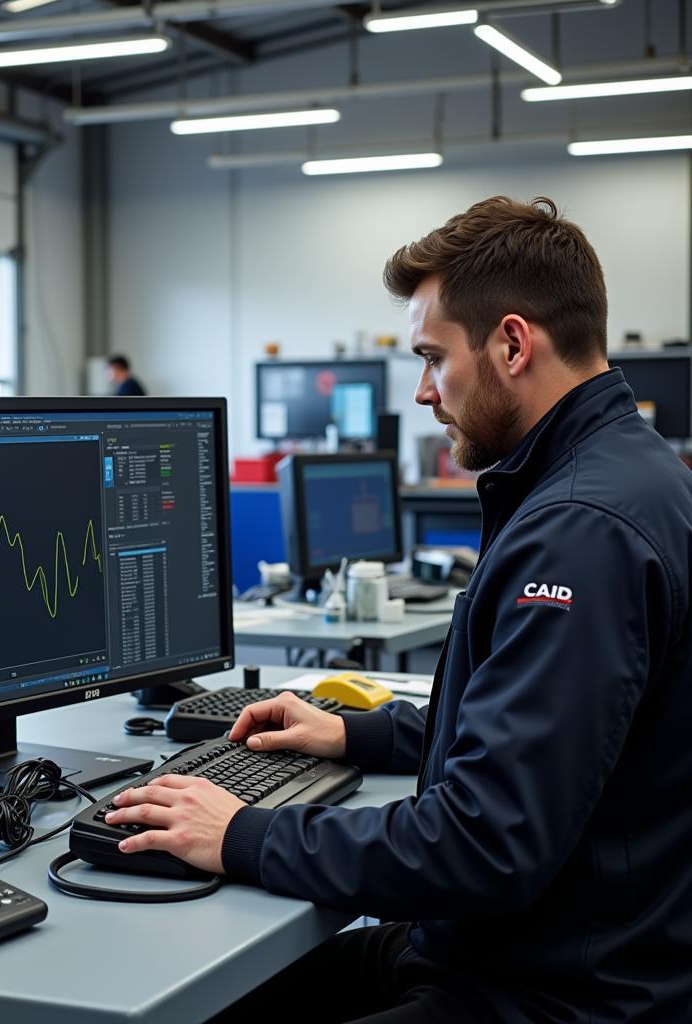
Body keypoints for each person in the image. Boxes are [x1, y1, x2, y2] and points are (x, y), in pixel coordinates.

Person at [105, 197, 692, 1022]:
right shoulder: (622, 473)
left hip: (557, 992)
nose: (421, 391)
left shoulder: (579, 532)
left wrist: (242, 833)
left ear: (513, 343)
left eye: (431, 358)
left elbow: (487, 843)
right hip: (528, 947)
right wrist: (356, 732)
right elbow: (556, 725)